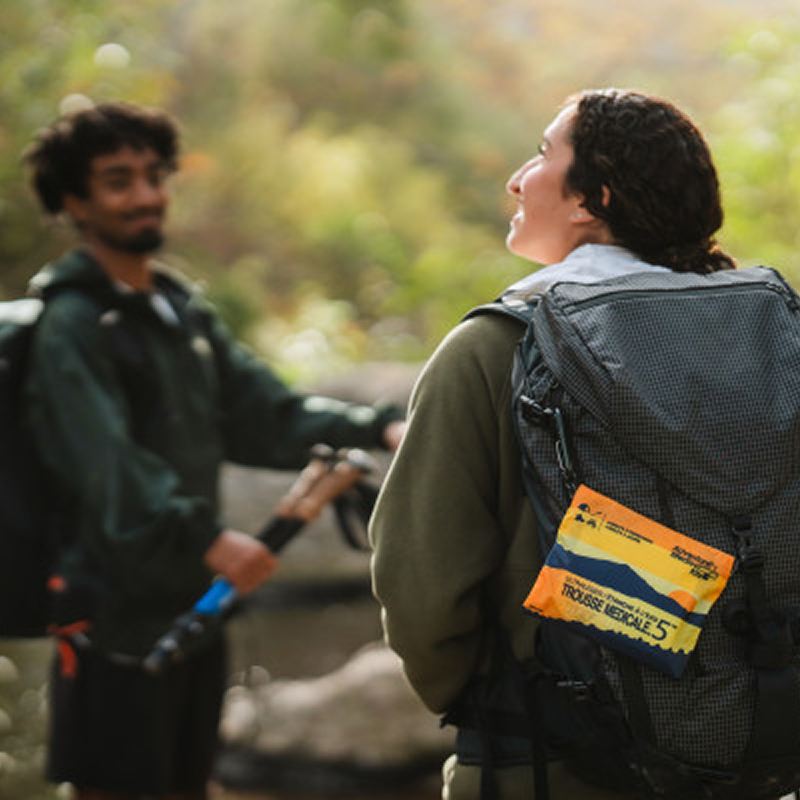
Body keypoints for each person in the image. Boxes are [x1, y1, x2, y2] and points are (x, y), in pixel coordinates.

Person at [22, 100, 405, 800]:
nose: (146, 195)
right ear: (74, 201)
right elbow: (107, 466)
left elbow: (267, 415)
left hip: (197, 604)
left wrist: (379, 428)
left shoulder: (181, 312)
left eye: (153, 175)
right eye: (118, 181)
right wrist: (209, 538)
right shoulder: (71, 324)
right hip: (111, 615)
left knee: (189, 784)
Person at [370, 88, 738, 799]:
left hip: (545, 760)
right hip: (741, 746)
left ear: (592, 200)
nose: (516, 180)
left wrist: (490, 706)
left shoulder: (494, 347)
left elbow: (420, 582)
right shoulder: (758, 340)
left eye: (541, 155)